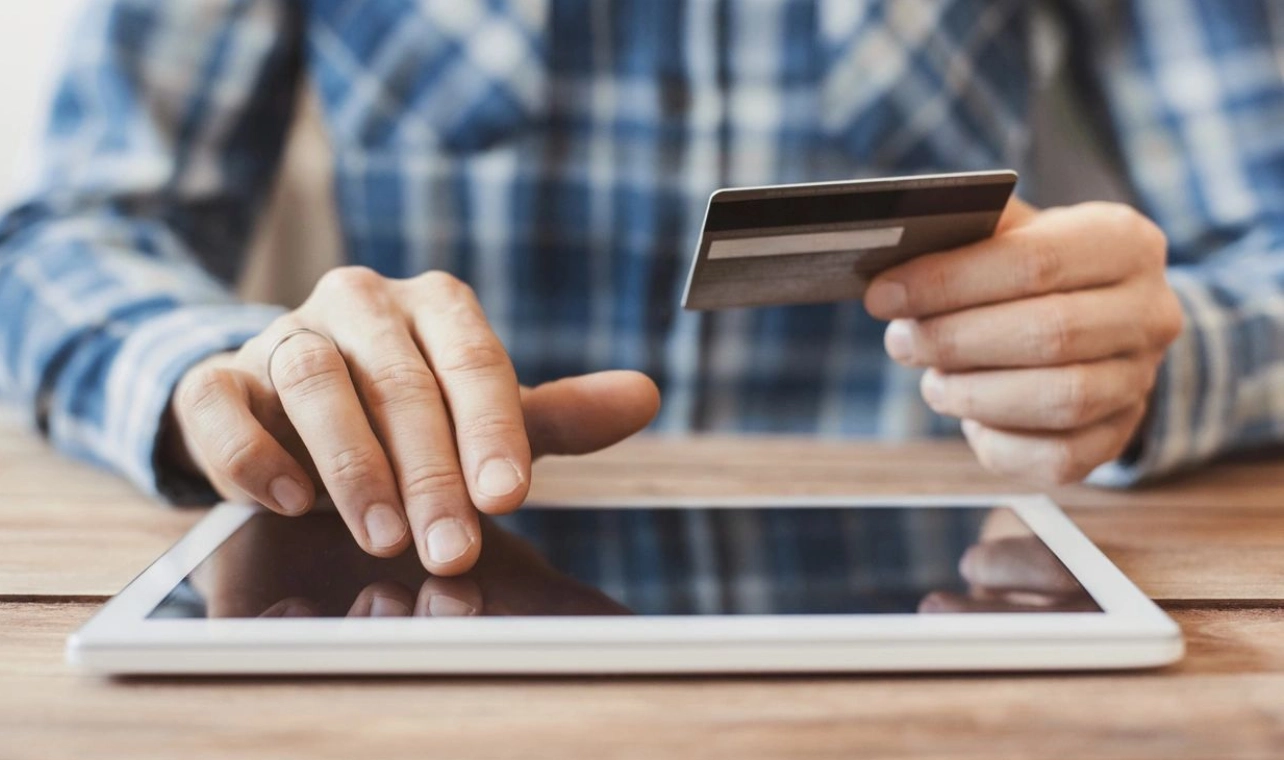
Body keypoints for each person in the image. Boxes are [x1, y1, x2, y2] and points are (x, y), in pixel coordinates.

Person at [0, 0, 1279, 577]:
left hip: (923, 638)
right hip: (425, 632)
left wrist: (1158, 359)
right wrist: (215, 369)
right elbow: (64, 231)